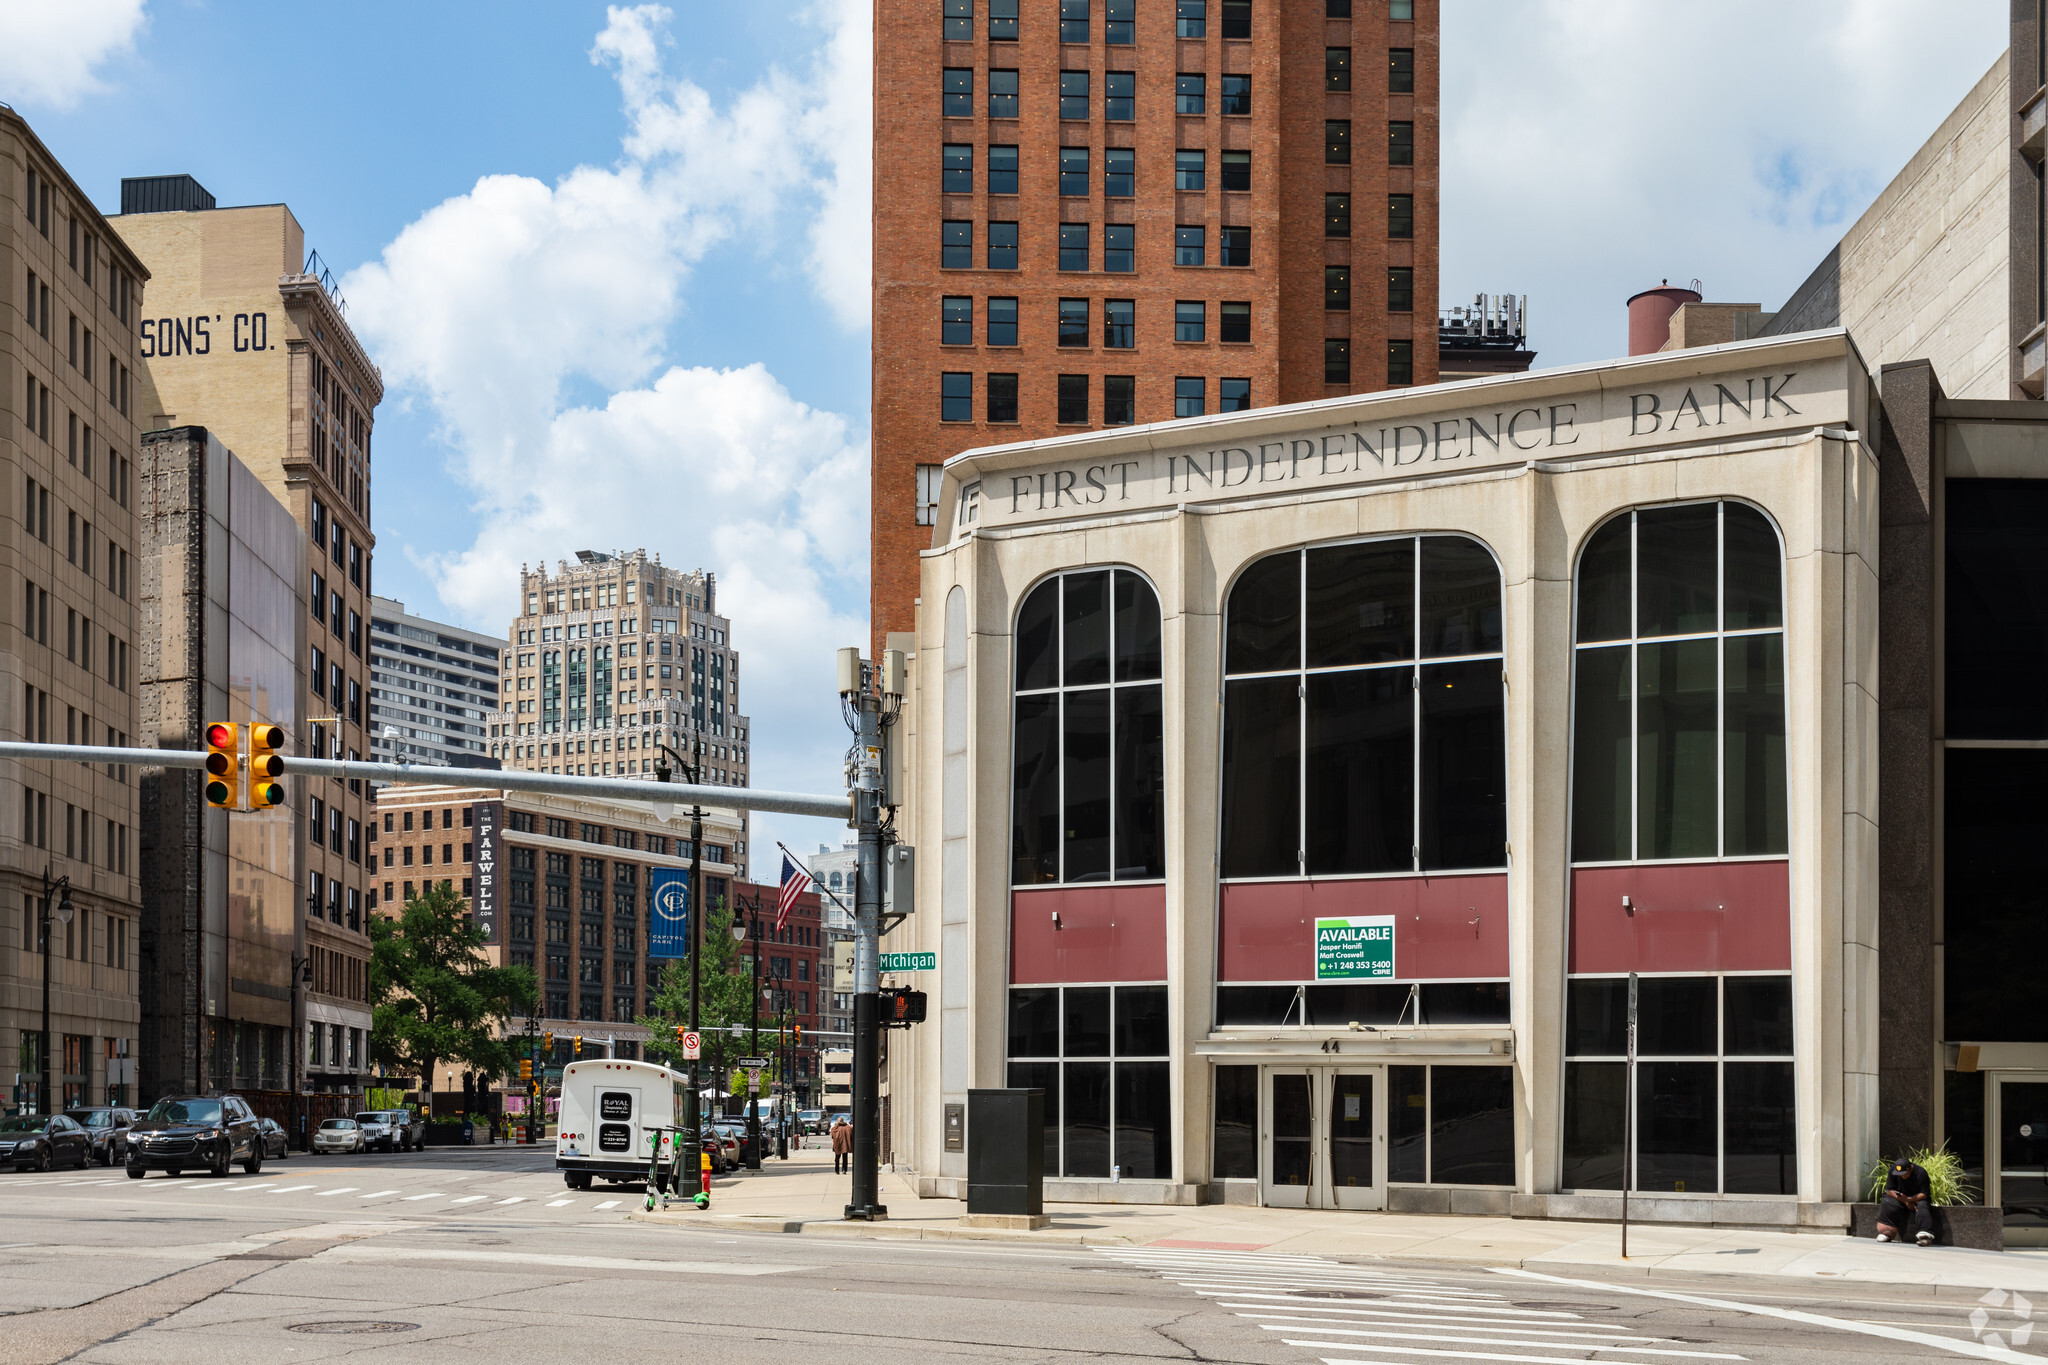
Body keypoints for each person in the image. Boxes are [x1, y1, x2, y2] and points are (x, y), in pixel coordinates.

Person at [1876, 1158, 1936, 1246]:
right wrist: (1905, 1201)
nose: (1901, 1176)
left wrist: (1909, 1199)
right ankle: (1887, 1232)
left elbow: (1924, 1194)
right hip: (1901, 1198)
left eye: (1904, 1174)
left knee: (1922, 1206)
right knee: (1887, 1201)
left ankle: (1925, 1235)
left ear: (1910, 1169)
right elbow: (1889, 1190)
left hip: (1917, 1198)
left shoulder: (1921, 1172)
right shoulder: (1893, 1170)